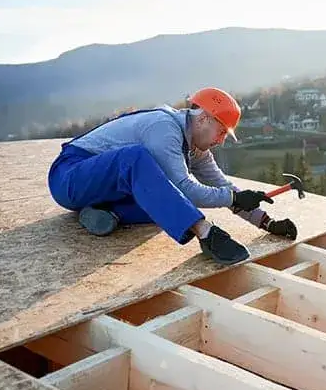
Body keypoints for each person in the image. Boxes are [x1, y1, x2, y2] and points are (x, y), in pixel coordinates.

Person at [47, 87, 298, 266]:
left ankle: (107, 213)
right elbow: (186, 189)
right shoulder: (164, 128)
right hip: (69, 177)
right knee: (144, 168)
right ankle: (206, 234)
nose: (221, 141)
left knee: (165, 207)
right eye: (221, 132)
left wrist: (266, 222)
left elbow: (222, 185)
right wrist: (231, 199)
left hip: (100, 188)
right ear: (203, 119)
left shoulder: (196, 147)